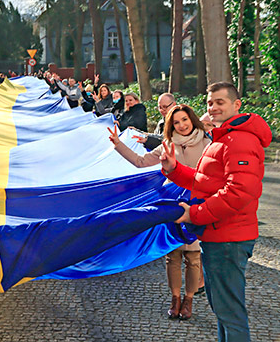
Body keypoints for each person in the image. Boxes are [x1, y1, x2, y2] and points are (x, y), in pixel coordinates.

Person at [160, 82, 272, 342]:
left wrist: (195, 214)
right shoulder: (223, 138)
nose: (213, 107)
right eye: (210, 102)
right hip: (218, 237)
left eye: (220, 102)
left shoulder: (239, 139)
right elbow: (205, 181)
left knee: (230, 314)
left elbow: (239, 192)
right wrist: (174, 169)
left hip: (229, 239)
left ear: (236, 105)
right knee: (223, 312)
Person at [109, 104, 210, 320]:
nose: (182, 125)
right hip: (170, 204)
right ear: (171, 126)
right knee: (172, 255)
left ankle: (188, 300)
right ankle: (174, 300)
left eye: (185, 120)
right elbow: (140, 162)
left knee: (193, 257)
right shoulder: (167, 145)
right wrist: (118, 145)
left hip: (195, 204)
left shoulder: (207, 143)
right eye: (176, 122)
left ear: (192, 120)